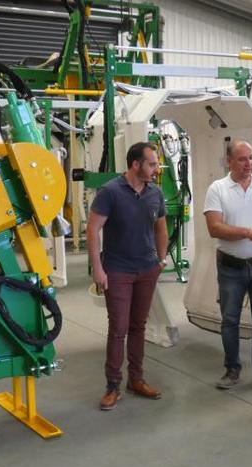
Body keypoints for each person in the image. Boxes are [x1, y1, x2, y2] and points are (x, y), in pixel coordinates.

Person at [87, 142, 168, 411]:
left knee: (138, 326)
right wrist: (98, 268)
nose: (157, 169)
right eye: (152, 164)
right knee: (118, 328)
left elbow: (161, 228)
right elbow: (93, 230)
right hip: (118, 270)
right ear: (136, 165)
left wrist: (161, 258)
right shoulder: (110, 192)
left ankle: (137, 379)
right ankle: (113, 386)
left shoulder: (155, 193)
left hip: (147, 269)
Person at [203, 139, 252, 391]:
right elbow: (214, 228)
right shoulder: (217, 189)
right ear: (229, 161)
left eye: (251, 158)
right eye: (242, 159)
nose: (248, 163)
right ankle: (232, 369)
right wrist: (248, 232)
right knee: (230, 320)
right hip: (231, 267)